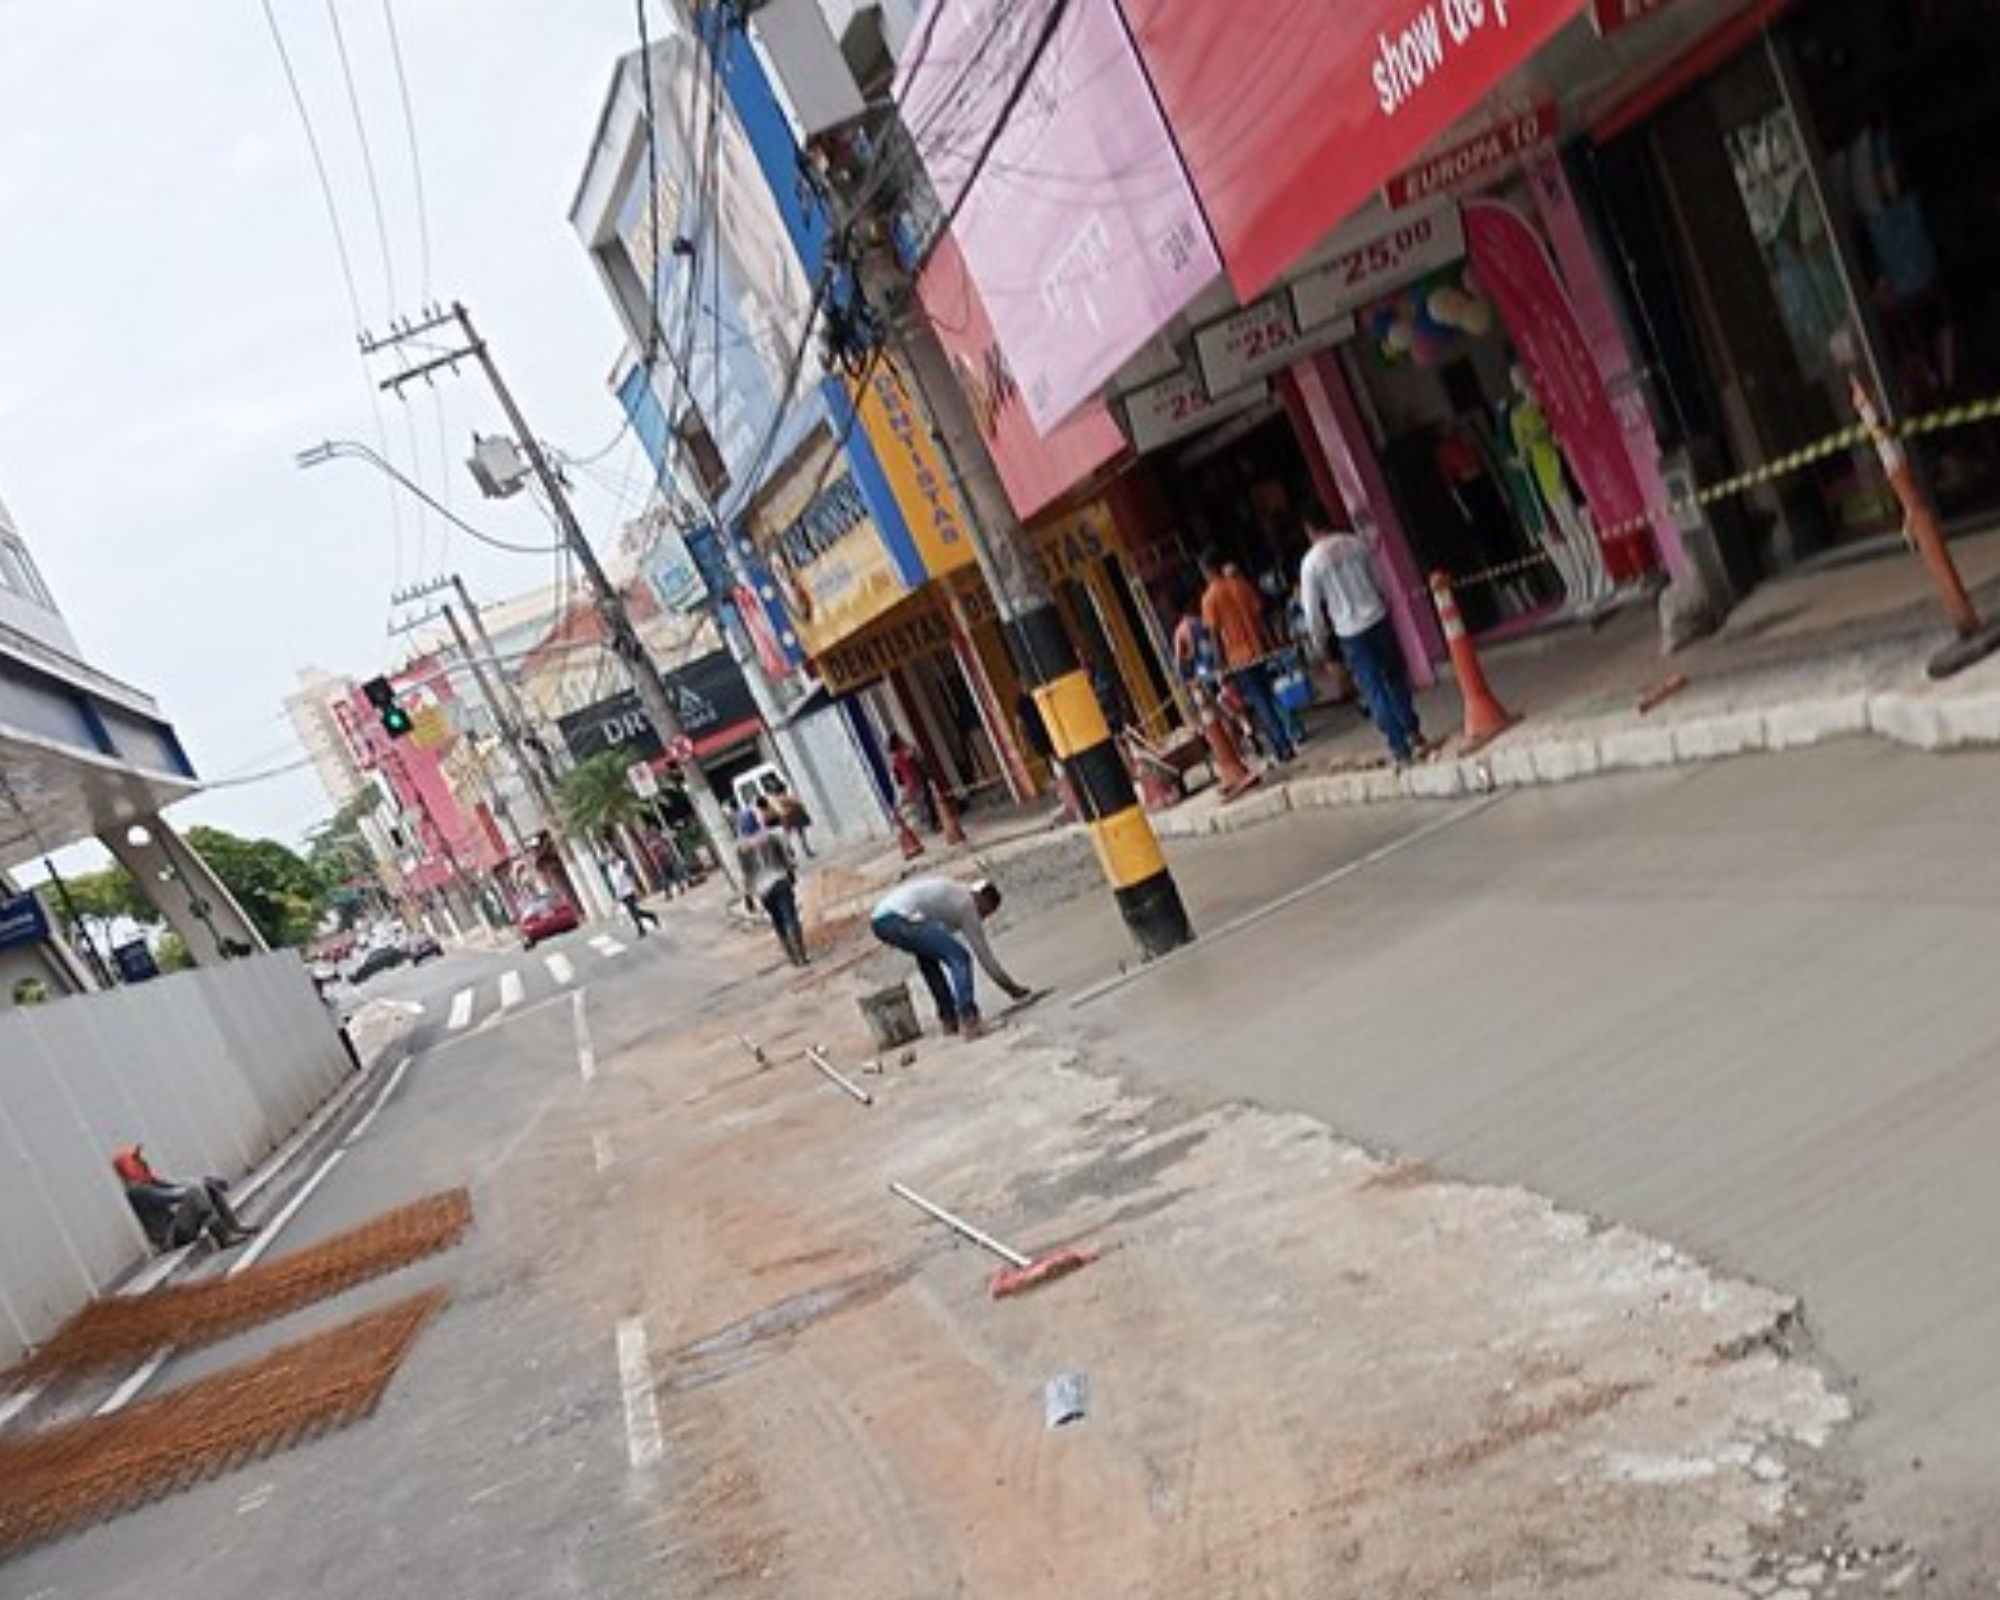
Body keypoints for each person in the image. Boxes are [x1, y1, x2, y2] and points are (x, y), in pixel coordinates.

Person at [1297, 503, 1428, 769]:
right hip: (1378, 618)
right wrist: (1384, 604)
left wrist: (1320, 642)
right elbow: (1380, 581)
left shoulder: (1311, 563)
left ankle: (1399, 747)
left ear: (1309, 529)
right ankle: (1412, 730)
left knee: (1373, 689)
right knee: (1395, 677)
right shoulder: (1355, 544)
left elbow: (1312, 611)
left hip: (1351, 633)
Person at [869, 875, 1031, 1041]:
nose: (982, 918)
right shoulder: (968, 904)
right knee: (960, 958)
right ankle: (970, 1020)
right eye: (986, 912)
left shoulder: (954, 892)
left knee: (929, 960)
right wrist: (1013, 990)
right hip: (898, 918)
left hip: (880, 921)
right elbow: (986, 958)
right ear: (983, 900)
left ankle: (949, 1020)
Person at [1199, 549, 1297, 762]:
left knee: (1260, 701)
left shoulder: (1210, 598)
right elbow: (1261, 617)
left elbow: (1215, 636)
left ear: (1206, 571)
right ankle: (1290, 737)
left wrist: (1220, 668)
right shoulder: (1241, 585)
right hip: (1259, 649)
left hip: (1238, 659)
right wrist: (1273, 644)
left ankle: (1282, 746)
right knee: (1270, 695)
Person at [112, 1144, 258, 1253]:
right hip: (170, 1239)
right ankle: (223, 1237)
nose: (142, 1162)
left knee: (206, 1186)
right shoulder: (137, 1190)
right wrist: (197, 1187)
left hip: (177, 1229)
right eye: (136, 1161)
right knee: (194, 1193)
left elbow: (176, 1183)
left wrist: (205, 1181)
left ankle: (235, 1226)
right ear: (128, 1167)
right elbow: (171, 1196)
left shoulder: (148, 1181)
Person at [738, 806, 807, 966]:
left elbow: (746, 874)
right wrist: (791, 873)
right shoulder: (770, 837)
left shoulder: (742, 848)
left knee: (778, 921)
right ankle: (801, 955)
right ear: (755, 821)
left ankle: (792, 957)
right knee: (791, 917)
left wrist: (748, 896)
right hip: (781, 881)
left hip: (763, 890)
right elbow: (785, 858)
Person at [886, 732, 936, 833]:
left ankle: (926, 825)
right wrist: (907, 744)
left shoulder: (894, 758)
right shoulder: (905, 752)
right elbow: (916, 753)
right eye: (900, 738)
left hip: (908, 783)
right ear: (897, 742)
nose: (902, 739)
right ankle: (930, 826)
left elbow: (897, 773)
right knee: (924, 803)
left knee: (919, 804)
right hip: (916, 780)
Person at [606, 853, 658, 938]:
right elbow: (614, 883)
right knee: (634, 912)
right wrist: (617, 896)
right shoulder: (610, 869)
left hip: (629, 891)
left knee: (633, 912)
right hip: (621, 894)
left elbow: (631, 877)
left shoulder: (623, 865)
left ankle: (641, 930)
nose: (611, 862)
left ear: (615, 858)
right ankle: (651, 916)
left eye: (612, 859)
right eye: (609, 861)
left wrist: (636, 889)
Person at [768, 780, 815, 859]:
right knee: (800, 835)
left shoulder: (776, 799)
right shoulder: (784, 797)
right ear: (783, 790)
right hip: (793, 816)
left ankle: (791, 850)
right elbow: (798, 802)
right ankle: (805, 850)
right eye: (785, 789)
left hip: (786, 818)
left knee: (789, 835)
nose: (786, 790)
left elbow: (779, 810)